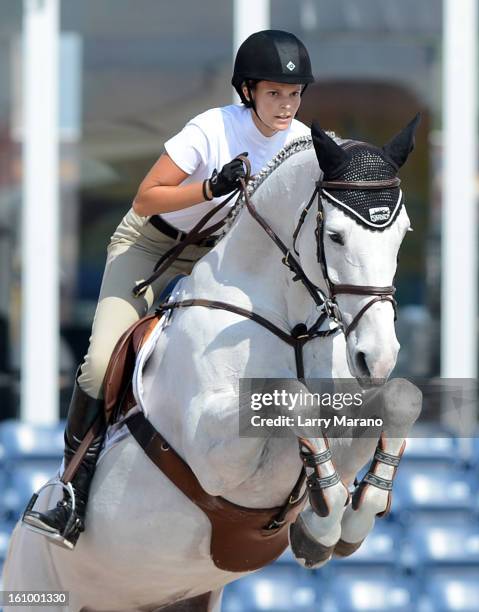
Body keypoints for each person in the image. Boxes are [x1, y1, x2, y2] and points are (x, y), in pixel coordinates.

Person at [22, 29, 315, 549]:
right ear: (249, 91)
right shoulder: (211, 129)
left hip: (219, 256)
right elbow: (145, 198)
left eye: (293, 95)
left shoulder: (302, 144)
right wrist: (210, 187)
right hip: (152, 245)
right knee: (99, 360)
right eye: (275, 93)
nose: (286, 105)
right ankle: (71, 487)